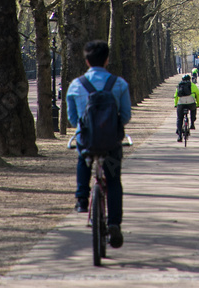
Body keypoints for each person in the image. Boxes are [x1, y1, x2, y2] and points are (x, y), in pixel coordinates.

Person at [66, 39, 131, 249]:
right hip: (111, 142)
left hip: (87, 141)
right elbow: (126, 116)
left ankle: (82, 199)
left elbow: (73, 118)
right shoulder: (119, 84)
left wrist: (84, 129)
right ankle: (114, 224)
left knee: (83, 157)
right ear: (107, 59)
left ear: (86, 61)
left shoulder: (76, 85)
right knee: (113, 181)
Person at [174, 73, 199, 140]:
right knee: (193, 109)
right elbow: (198, 95)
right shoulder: (193, 85)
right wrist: (198, 104)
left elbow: (176, 96)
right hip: (190, 103)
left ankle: (179, 135)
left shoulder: (180, 85)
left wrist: (176, 104)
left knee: (179, 118)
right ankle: (192, 123)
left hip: (181, 103)